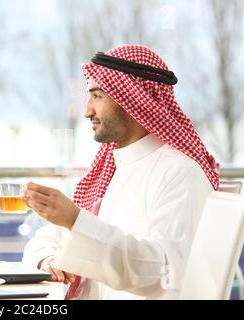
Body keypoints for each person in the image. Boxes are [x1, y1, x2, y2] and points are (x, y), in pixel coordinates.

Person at [21, 44, 219, 300]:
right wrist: (48, 259)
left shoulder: (180, 173)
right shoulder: (111, 166)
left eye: (97, 96)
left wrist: (75, 220)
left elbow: (160, 272)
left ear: (134, 99)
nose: (86, 111)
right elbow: (44, 240)